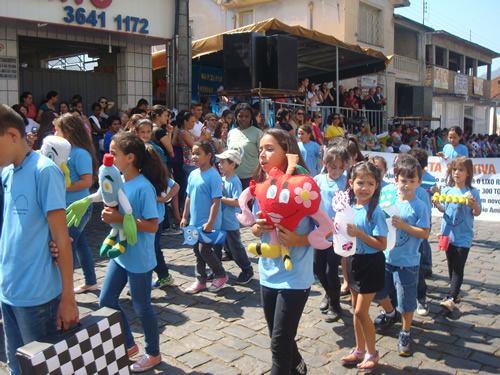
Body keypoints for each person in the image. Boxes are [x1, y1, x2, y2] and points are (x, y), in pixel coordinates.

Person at [0, 105, 79, 375]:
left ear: (12, 135)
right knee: (16, 367)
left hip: (37, 297)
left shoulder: (45, 172)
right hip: (9, 292)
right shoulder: (7, 172)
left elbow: (62, 239)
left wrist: (68, 298)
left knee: (42, 369)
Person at [251, 128, 315, 374]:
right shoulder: (263, 186)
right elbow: (257, 227)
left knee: (278, 343)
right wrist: (257, 227)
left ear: (287, 153)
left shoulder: (305, 187)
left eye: (269, 149)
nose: (262, 155)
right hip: (268, 272)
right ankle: (298, 366)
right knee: (278, 336)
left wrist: (300, 239)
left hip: (296, 275)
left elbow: (328, 231)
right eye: (260, 150)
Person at [99, 132, 162, 372]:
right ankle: (128, 344)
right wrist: (113, 218)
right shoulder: (120, 181)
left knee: (141, 306)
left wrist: (119, 218)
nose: (109, 156)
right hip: (121, 253)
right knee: (105, 300)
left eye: (114, 153)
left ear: (130, 157)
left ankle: (154, 353)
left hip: (139, 258)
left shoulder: (143, 187)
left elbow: (152, 225)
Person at [373, 155, 430, 357]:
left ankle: (405, 331)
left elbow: (425, 233)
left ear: (419, 182)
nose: (406, 185)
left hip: (408, 262)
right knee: (379, 292)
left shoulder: (420, 206)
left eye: (411, 181)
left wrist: (404, 226)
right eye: (403, 180)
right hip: (386, 258)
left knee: (406, 301)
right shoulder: (387, 198)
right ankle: (390, 313)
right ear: (395, 179)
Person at [340, 161, 388, 371]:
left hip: (371, 263)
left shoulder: (375, 211)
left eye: (370, 183)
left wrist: (359, 234)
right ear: (351, 183)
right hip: (353, 261)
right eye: (361, 182)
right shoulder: (349, 208)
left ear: (376, 185)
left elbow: (381, 244)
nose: (365, 187)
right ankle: (359, 350)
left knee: (361, 311)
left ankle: (373, 352)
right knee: (354, 309)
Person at [54, 114, 99, 294]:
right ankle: (90, 281)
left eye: (57, 129)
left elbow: (87, 181)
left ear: (68, 131)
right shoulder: (64, 151)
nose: (54, 133)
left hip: (78, 207)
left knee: (68, 246)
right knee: (80, 243)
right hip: (68, 207)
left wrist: (63, 186)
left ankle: (64, 290)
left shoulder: (80, 153)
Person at [434, 157, 481, 313]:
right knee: (451, 265)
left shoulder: (472, 192)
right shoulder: (447, 190)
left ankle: (451, 298)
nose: (457, 173)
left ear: (468, 173)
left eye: (461, 170)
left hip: (464, 236)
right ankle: (455, 293)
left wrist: (473, 204)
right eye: (454, 169)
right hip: (447, 235)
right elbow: (444, 209)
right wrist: (436, 201)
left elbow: (477, 212)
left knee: (458, 268)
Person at [181, 141, 228, 294]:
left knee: (204, 250)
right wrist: (184, 217)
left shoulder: (214, 176)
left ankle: (220, 274)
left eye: (197, 153)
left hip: (208, 224)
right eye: (192, 153)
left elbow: (216, 201)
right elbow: (188, 197)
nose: (193, 156)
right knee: (196, 251)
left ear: (209, 156)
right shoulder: (193, 174)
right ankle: (200, 280)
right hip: (194, 223)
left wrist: (210, 222)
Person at [313, 141, 350, 322]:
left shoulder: (346, 183)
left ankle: (335, 305)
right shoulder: (318, 180)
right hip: (319, 232)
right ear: (325, 164)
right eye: (332, 166)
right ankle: (328, 293)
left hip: (337, 233)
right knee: (317, 268)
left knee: (330, 270)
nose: (335, 171)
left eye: (339, 168)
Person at [216, 149, 254, 284]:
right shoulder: (222, 179)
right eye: (219, 162)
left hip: (231, 220)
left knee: (236, 246)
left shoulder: (234, 181)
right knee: (222, 244)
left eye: (222, 162)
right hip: (221, 220)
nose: (219, 164)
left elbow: (237, 201)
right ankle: (217, 269)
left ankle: (247, 269)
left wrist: (220, 198)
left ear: (232, 165)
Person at [144, 144, 179, 290]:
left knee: (152, 249)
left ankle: (162, 276)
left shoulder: (157, 175)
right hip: (149, 219)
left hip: (155, 219)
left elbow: (175, 186)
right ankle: (163, 275)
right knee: (152, 248)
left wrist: (164, 199)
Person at [227, 103, 263, 190]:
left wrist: (257, 174)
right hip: (233, 178)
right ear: (236, 117)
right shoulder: (231, 133)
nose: (243, 119)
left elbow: (262, 155)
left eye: (247, 116)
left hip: (251, 178)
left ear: (251, 117)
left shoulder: (258, 133)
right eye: (240, 116)